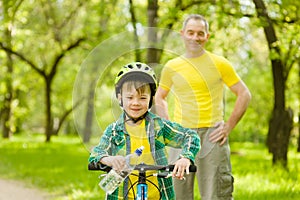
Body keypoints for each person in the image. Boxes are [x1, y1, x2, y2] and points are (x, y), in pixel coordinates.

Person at [155, 14, 251, 200]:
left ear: (207, 36)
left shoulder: (220, 63)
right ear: (182, 34)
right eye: (190, 32)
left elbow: (244, 94)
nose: (195, 37)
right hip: (180, 136)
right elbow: (160, 97)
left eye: (200, 33)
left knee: (215, 194)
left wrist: (228, 126)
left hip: (212, 135)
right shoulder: (172, 66)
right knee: (177, 193)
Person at [89, 62, 200, 200]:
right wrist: (108, 159)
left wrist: (185, 158)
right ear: (120, 98)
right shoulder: (114, 131)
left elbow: (190, 136)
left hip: (159, 194)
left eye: (142, 98)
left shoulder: (159, 126)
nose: (135, 102)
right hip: (121, 195)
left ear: (150, 100)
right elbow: (97, 153)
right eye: (130, 97)